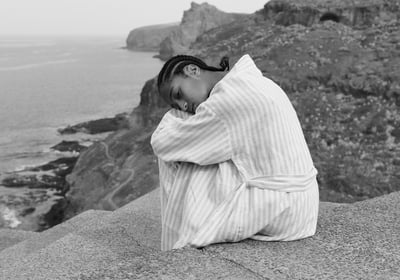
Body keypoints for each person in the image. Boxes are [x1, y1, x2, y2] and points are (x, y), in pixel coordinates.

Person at [151, 54, 319, 251]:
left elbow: (162, 144)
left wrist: (173, 116)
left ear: (192, 70)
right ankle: (181, 232)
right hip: (301, 204)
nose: (183, 105)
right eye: (176, 104)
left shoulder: (229, 99)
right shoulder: (253, 81)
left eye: (178, 94)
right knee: (190, 142)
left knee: (182, 141)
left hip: (283, 208)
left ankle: (176, 242)